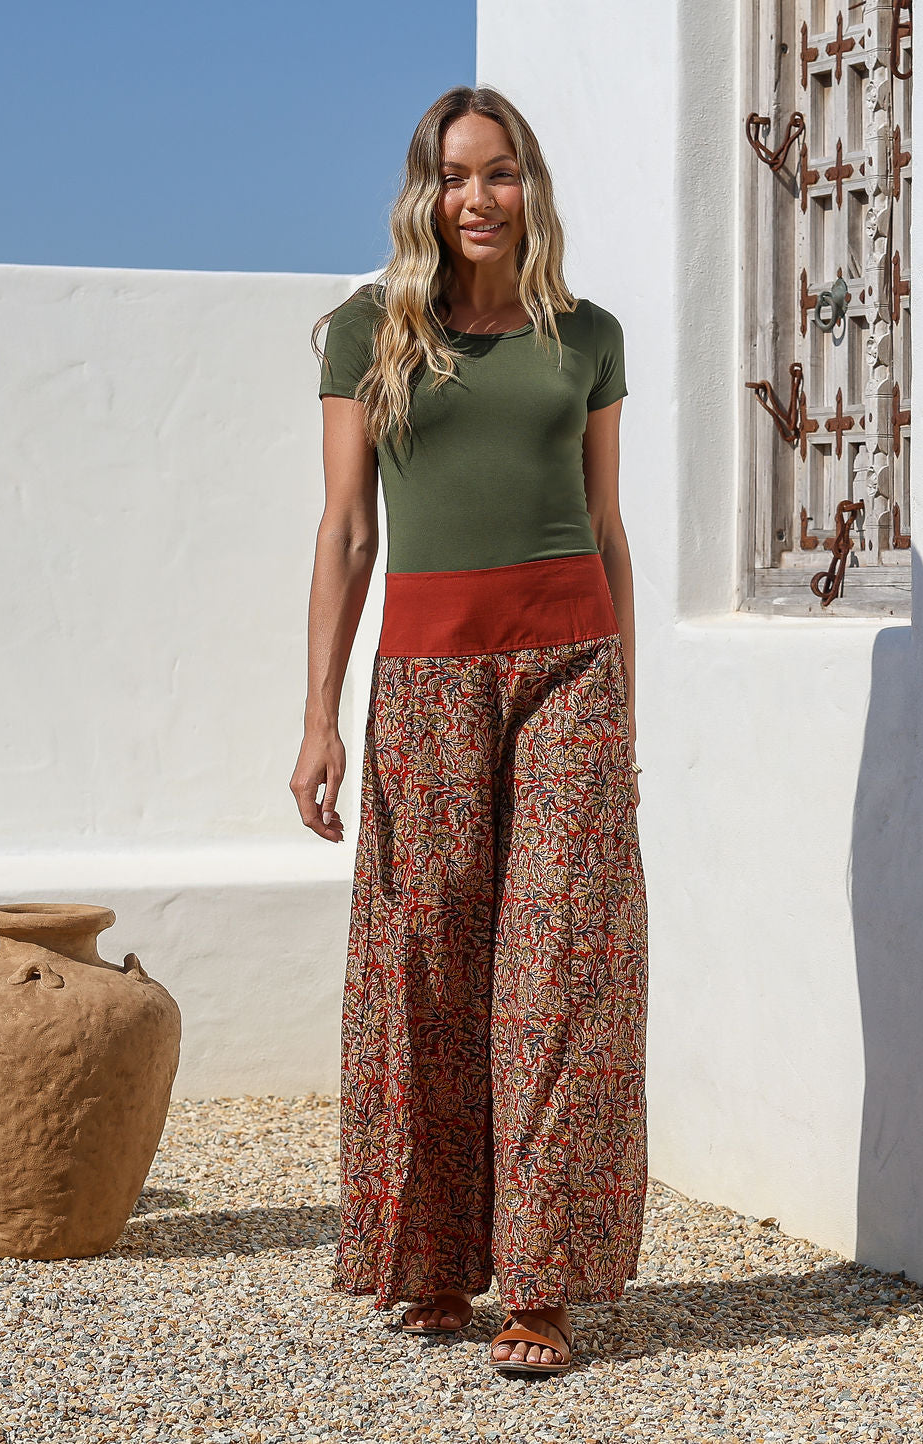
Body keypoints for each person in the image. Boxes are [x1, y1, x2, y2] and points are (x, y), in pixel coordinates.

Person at [291, 84, 648, 1376]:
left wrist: (627, 716)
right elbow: (345, 532)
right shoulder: (365, 335)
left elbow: (607, 529)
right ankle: (433, 1262)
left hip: (573, 671)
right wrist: (319, 718)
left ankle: (540, 1287)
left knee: (557, 969)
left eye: (499, 174)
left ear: (530, 187)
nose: (478, 199)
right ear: (424, 193)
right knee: (426, 963)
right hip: (426, 676)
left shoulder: (589, 338)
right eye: (455, 177)